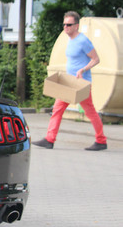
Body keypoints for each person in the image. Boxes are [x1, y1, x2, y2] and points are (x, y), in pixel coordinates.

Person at [33, 11, 107, 151]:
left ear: (76, 26)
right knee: (57, 110)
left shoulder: (83, 41)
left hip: (81, 84)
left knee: (90, 111)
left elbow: (96, 59)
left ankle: (101, 140)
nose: (65, 27)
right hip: (69, 84)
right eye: (64, 24)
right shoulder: (70, 40)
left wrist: (83, 70)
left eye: (69, 24)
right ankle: (49, 139)